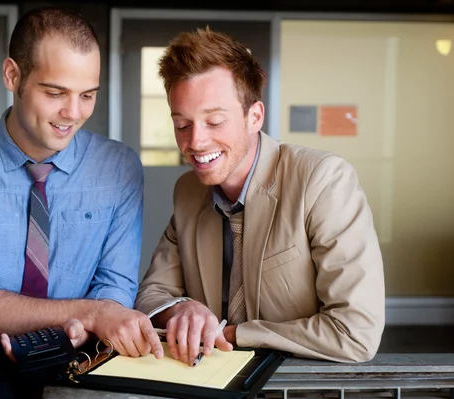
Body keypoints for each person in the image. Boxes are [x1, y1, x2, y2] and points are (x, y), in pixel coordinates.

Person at [0, 6, 162, 398]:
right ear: (13, 75)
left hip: (76, 377)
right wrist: (88, 313)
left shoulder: (120, 168)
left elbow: (115, 286)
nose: (73, 113)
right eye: (55, 93)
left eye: (88, 95)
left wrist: (92, 318)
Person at [135, 27, 385, 366]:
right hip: (205, 381)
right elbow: (151, 294)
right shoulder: (188, 191)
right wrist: (182, 309)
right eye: (182, 125)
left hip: (296, 385)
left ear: (255, 116)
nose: (195, 142)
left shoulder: (324, 180)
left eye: (215, 121)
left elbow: (356, 333)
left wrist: (233, 334)